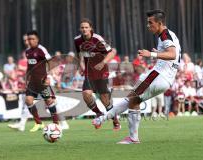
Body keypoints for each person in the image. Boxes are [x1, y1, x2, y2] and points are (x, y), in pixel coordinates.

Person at [92, 9, 181, 144]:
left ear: (160, 23)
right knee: (133, 100)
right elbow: (172, 55)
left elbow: (172, 54)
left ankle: (105, 121)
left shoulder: (164, 35)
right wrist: (159, 53)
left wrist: (151, 54)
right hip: (166, 79)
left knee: (131, 99)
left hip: (158, 76)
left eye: (150, 23)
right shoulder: (170, 35)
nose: (148, 26)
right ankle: (110, 124)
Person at [74, 18, 121, 130]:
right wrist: (81, 65)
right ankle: (99, 114)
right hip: (89, 73)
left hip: (101, 72)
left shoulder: (98, 39)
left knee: (105, 100)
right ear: (80, 29)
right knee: (86, 94)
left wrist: (103, 62)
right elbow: (80, 54)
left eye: (86, 27)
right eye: (82, 27)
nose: (84, 29)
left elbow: (112, 52)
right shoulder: (77, 40)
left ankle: (115, 120)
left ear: (91, 28)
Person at [24, 31, 59, 132]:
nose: (30, 41)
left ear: (37, 40)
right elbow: (29, 66)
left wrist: (48, 76)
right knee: (28, 101)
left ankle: (56, 124)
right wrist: (27, 78)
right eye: (29, 39)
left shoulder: (41, 50)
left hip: (42, 81)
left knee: (49, 101)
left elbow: (51, 62)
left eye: (33, 39)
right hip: (32, 82)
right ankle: (38, 123)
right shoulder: (27, 51)